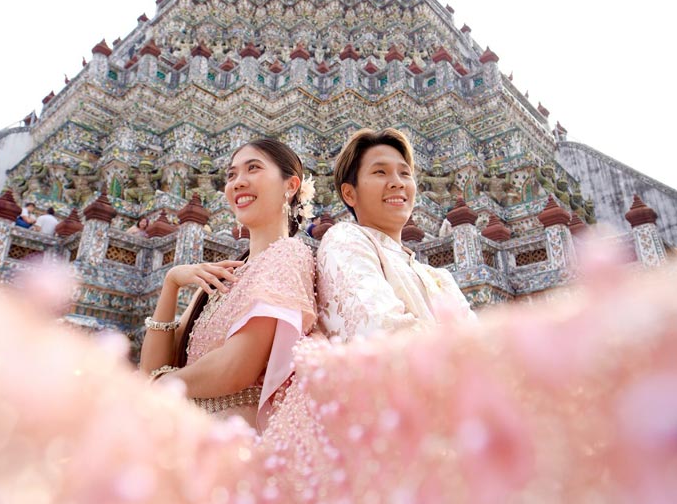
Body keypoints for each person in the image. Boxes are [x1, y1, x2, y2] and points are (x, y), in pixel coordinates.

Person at [139, 138, 317, 431]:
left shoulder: (288, 254)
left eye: (253, 168)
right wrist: (171, 284)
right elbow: (151, 368)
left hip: (234, 446)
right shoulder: (222, 276)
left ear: (291, 185)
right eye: (231, 175)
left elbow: (236, 367)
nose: (238, 182)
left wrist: (160, 385)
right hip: (185, 439)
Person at [316, 127, 474, 340]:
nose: (398, 182)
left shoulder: (439, 277)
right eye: (380, 172)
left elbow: (482, 345)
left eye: (405, 173)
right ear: (349, 193)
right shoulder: (344, 239)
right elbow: (382, 331)